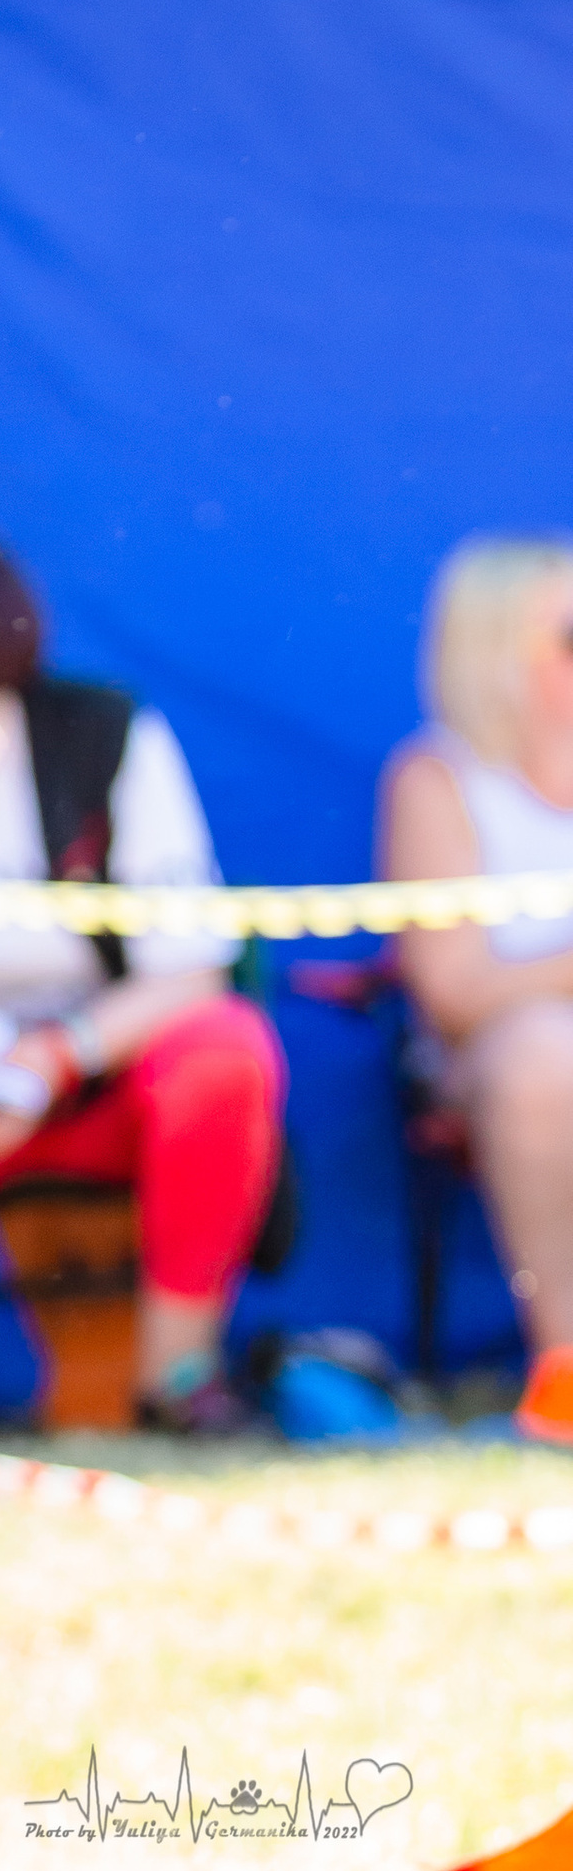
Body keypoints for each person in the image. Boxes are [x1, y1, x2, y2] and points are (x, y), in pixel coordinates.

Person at [0, 528, 285, 1433]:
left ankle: (177, 1381)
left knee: (226, 1051)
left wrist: (52, 1059)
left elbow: (193, 967)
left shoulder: (99, 734)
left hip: (83, 1080)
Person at [381, 535, 573, 1446]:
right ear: (496, 651)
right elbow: (452, 989)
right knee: (544, 1054)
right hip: (501, 1062)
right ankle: (566, 1371)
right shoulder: (439, 779)